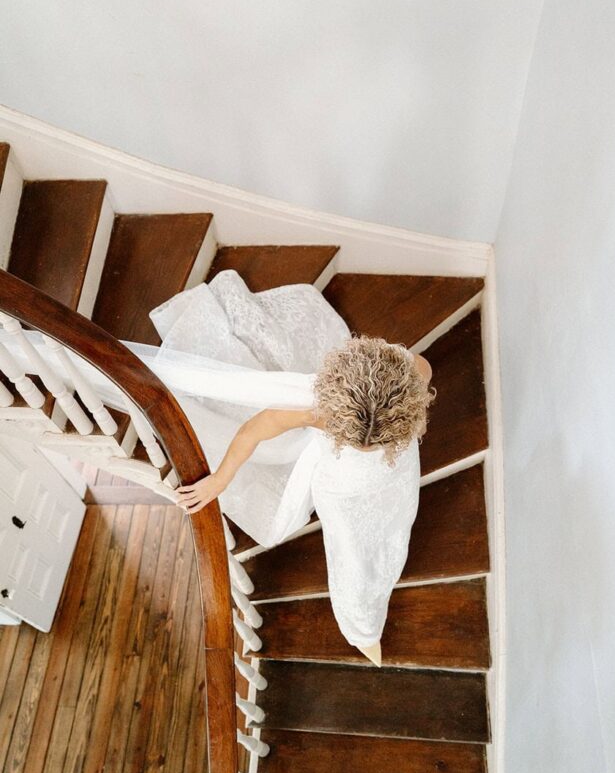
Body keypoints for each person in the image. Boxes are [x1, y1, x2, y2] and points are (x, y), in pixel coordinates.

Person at [137, 269, 437, 663]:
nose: (363, 448)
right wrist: (220, 480)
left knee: (394, 521)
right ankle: (360, 624)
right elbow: (252, 431)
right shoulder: (317, 409)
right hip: (339, 485)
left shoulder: (415, 371)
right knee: (349, 546)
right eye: (356, 439)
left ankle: (365, 617)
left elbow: (421, 374)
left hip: (396, 474)